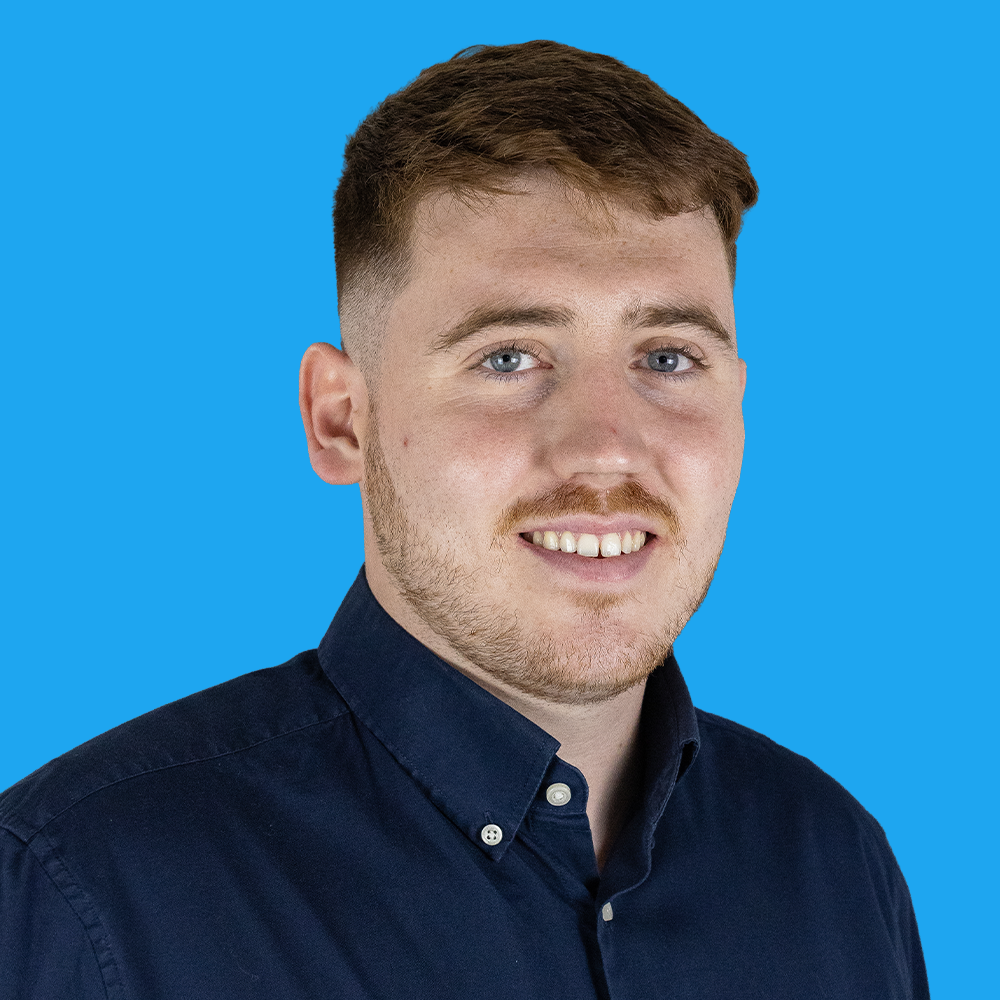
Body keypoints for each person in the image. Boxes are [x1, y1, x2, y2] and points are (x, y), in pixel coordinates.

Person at [0, 40, 928, 999]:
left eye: (666, 358)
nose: (605, 450)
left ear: (739, 403)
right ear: (342, 419)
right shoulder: (81, 892)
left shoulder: (835, 865)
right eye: (508, 357)